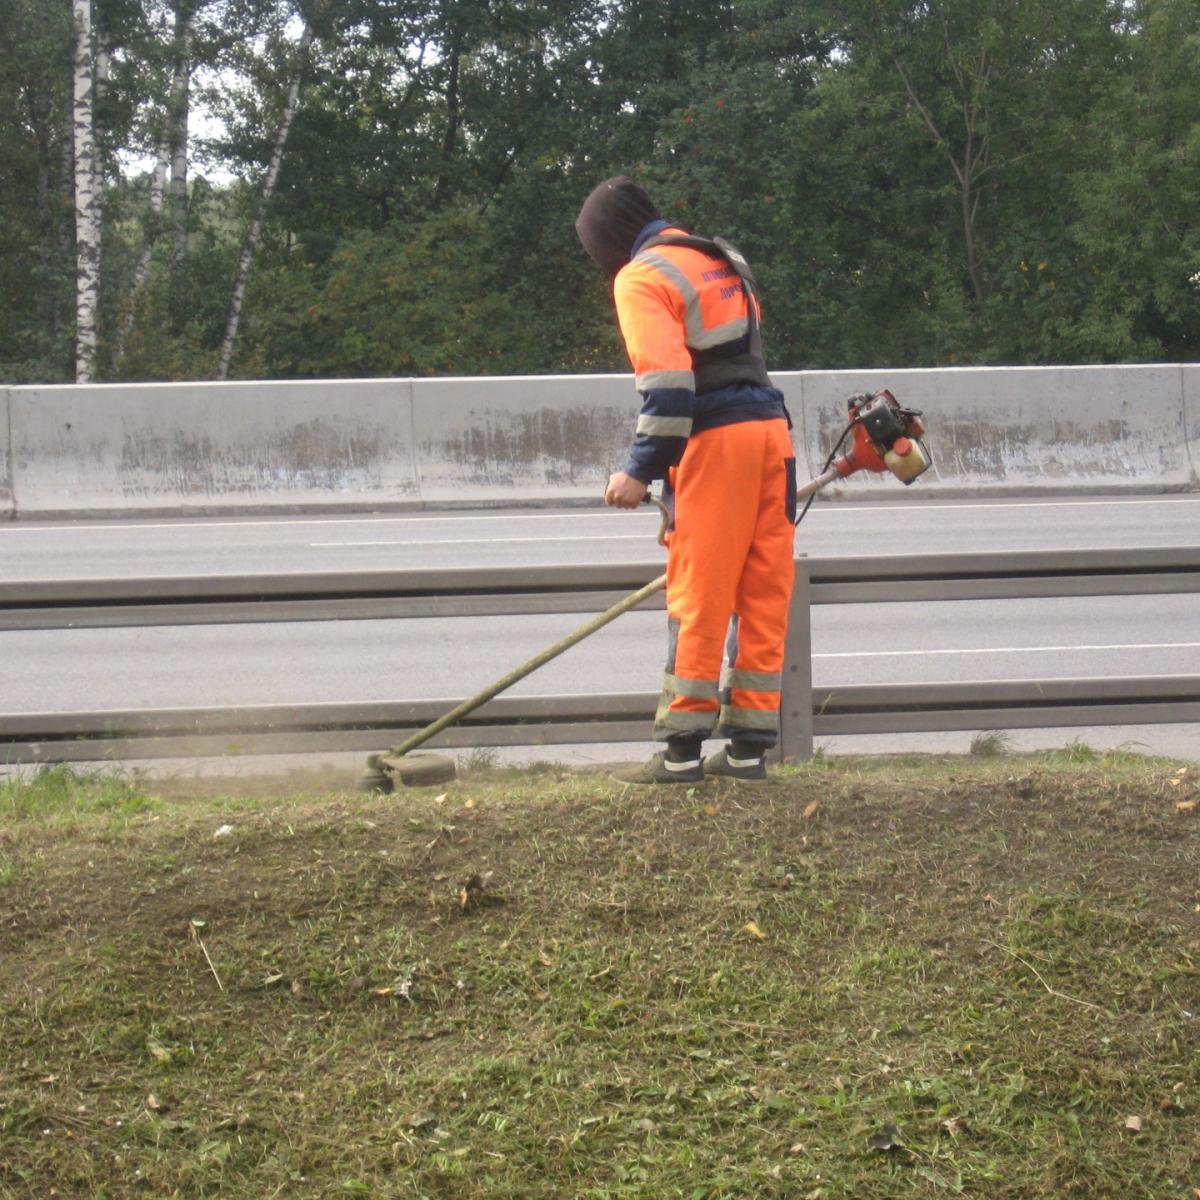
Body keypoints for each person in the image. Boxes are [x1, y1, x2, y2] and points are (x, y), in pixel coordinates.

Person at [575, 175, 796, 784]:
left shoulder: (641, 276)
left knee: (700, 595)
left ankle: (681, 754)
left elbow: (671, 386)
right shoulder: (722, 257)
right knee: (762, 593)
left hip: (718, 445)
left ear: (607, 240)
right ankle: (748, 753)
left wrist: (638, 470)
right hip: (773, 436)